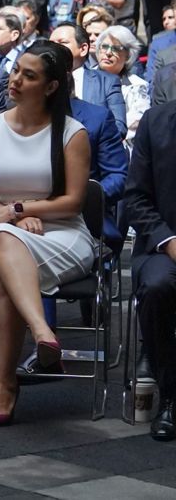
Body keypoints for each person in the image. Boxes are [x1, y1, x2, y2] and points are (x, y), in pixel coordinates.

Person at [0, 40, 94, 426]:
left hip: (63, 234)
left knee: (1, 275)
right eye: (16, 70)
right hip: (1, 229)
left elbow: (73, 202)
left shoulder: (72, 132)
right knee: (5, 241)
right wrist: (11, 219)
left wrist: (18, 209)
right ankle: (42, 330)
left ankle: (4, 385)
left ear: (51, 86)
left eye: (29, 75)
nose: (16, 80)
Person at [124, 98, 176, 440]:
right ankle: (171, 395)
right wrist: (169, 242)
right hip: (165, 243)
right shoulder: (155, 122)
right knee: (157, 287)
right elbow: (136, 198)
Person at [94, 25, 149, 135]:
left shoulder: (138, 85)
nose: (108, 53)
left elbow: (136, 123)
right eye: (104, 46)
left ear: (128, 55)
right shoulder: (83, 77)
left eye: (116, 48)